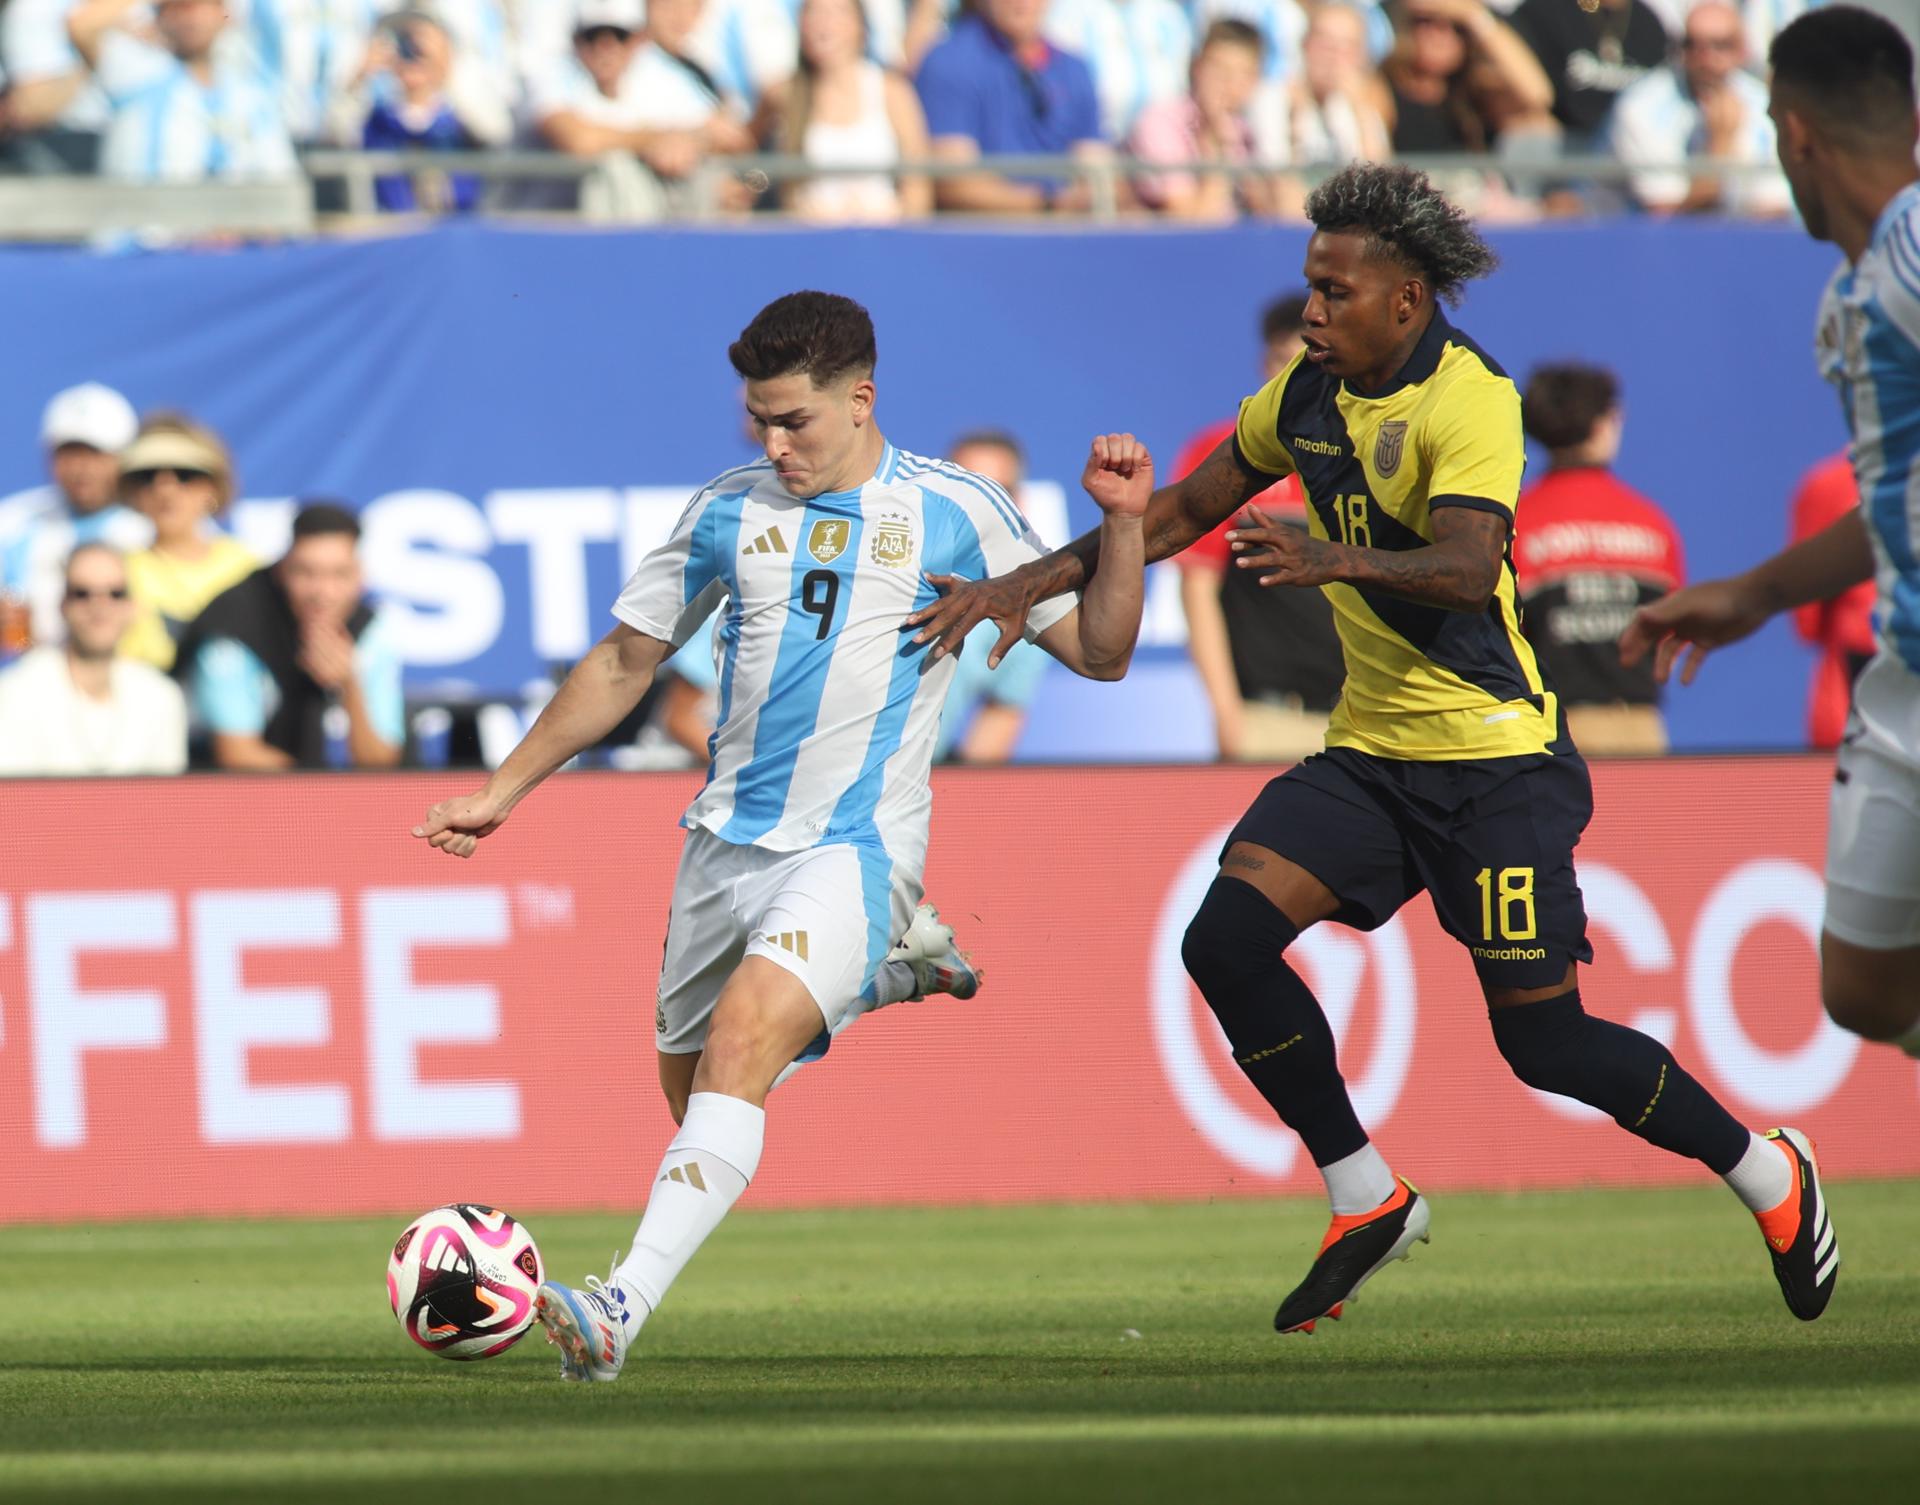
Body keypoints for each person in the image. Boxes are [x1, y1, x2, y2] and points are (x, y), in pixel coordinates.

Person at [912, 162, 1839, 1333]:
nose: (1311, 310)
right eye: (1308, 286)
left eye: (1332, 291)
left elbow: (1465, 568)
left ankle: (1768, 1171)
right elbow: (1191, 507)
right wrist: (1027, 578)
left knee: (1543, 1040)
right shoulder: (1308, 394)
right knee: (1227, 939)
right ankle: (1365, 1191)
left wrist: (1336, 557)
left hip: (1496, 761)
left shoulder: (1470, 398)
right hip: (1372, 761)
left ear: (1405, 299)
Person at [410, 291, 1151, 1381]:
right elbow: (625, 660)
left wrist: (1124, 524)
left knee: (745, 1045)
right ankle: (892, 973)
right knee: (697, 1097)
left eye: (793, 419)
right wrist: (504, 789)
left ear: (862, 399)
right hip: (722, 845)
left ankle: (615, 1311)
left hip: (856, 845)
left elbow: (1102, 650)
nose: (772, 442)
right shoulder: (728, 510)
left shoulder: (957, 510)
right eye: (757, 418)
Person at [1621, 7, 1920, 1060]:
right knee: (1865, 989)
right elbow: (1894, 500)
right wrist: (1754, 592)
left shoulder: (1916, 247)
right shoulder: (1853, 294)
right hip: (1907, 676)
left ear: (1791, 135)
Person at [1174, 292, 1344, 762]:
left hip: (1372, 716)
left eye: (1307, 361)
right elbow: (1197, 590)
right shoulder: (1225, 454)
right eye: (1280, 360)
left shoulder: (1374, 455)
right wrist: (1227, 714)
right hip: (1270, 719)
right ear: (1263, 362)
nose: (1292, 377)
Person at [1514, 363, 1682, 755]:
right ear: (1603, 423)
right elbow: (1673, 633)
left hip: (1545, 732)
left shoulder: (1517, 521)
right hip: (1638, 728)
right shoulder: (1651, 523)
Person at [180, 500, 404, 770]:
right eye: (306, 573)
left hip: (300, 788)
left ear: (360, 577)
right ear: (282, 570)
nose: (322, 593)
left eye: (339, 574)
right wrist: (327, 795)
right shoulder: (231, 630)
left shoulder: (371, 630)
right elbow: (237, 757)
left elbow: (381, 762)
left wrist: (349, 685)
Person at [0, 542, 187, 776]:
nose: (99, 606)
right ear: (62, 605)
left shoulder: (161, 697)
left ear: (132, 606)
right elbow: (14, 804)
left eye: (115, 593)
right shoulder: (15, 692)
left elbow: (168, 804)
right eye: (82, 593)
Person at [913, 0, 1111, 214]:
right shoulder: (947, 62)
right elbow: (955, 183)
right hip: (983, 238)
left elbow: (1097, 173)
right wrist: (1048, 204)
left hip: (1066, 233)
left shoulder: (1075, 69)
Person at [69, 0, 297, 183]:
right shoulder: (136, 73)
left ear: (225, 15)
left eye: (202, 7)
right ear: (159, 18)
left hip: (230, 235)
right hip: (145, 236)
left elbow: (280, 178)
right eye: (178, 8)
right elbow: (82, 25)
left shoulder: (250, 95)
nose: (191, 19)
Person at [1609, 1, 1792, 218]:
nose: (1705, 58)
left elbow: (1773, 214)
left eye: (1721, 45)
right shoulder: (1641, 108)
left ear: (1743, 50)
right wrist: (1719, 147)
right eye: (1692, 44)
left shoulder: (1765, 105)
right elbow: (1668, 220)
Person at [1, 381, 147, 653]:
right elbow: (15, 640)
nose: (82, 468)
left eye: (95, 453)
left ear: (123, 457)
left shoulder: (150, 531)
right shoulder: (13, 523)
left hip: (131, 681)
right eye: (68, 453)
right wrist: (19, 643)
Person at [938, 430, 1052, 762]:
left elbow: (998, 722)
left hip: (912, 792)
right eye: (967, 490)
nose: (981, 508)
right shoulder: (891, 562)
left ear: (1021, 504)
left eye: (999, 492)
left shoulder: (1029, 606)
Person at [117, 414, 257, 671]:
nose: (165, 489)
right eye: (147, 475)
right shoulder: (115, 573)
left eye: (185, 474)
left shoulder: (247, 568)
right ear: (132, 491)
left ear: (213, 488)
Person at [771, 0, 932, 222]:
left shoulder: (892, 91)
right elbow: (784, 188)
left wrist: (894, 216)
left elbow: (918, 186)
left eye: (837, 13)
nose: (824, 24)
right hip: (814, 242)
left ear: (861, 26)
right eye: (815, 13)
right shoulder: (786, 95)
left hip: (883, 239)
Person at [1128, 18, 1274, 221]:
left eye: (1243, 73)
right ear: (1197, 66)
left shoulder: (1248, 129)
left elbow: (1278, 217)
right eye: (1219, 68)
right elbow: (1194, 225)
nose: (1229, 83)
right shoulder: (1160, 123)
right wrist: (1218, 144)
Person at [1786, 451, 1875, 749]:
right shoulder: (1830, 483)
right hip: (1852, 686)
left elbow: (1806, 618)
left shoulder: (1829, 483)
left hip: (1853, 694)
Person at [1045, 0, 1194, 145]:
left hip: (1164, 149)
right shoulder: (1067, 12)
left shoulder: (1168, 14)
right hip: (1095, 147)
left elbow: (1184, 88)